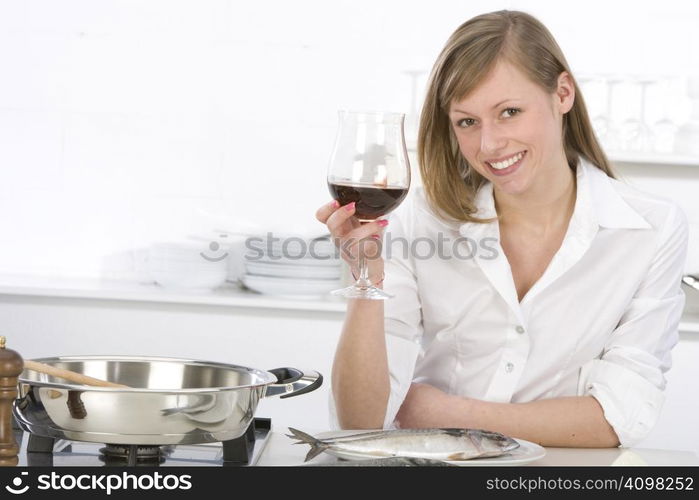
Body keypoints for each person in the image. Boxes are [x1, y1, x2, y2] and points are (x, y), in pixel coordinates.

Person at [314, 10, 687, 448]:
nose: (489, 145)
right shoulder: (422, 220)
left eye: (509, 112)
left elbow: (617, 420)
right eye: (467, 121)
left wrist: (443, 412)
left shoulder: (650, 229)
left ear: (562, 93)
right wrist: (366, 281)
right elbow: (360, 421)